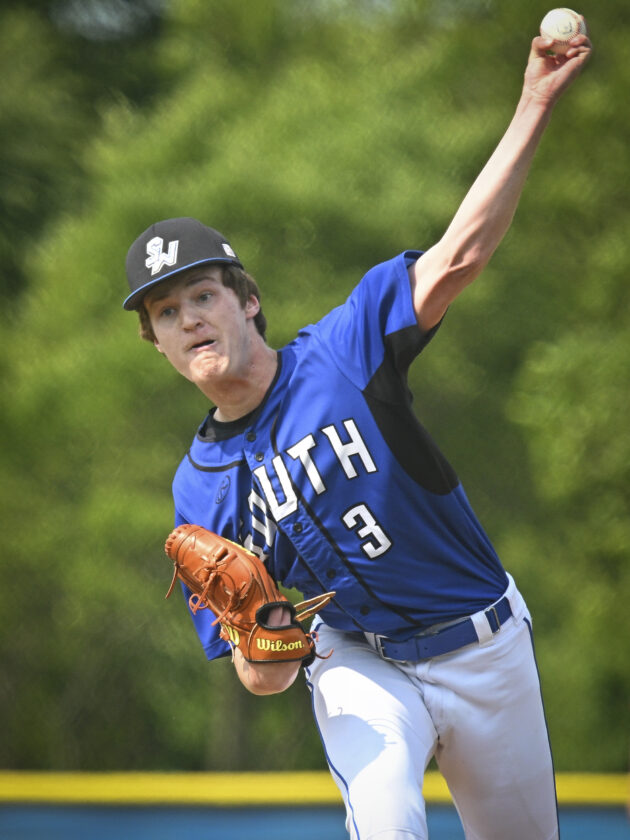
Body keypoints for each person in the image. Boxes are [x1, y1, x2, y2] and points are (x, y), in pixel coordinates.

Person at [123, 29, 591, 840]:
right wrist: (264, 637)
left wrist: (533, 103)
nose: (189, 318)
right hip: (358, 662)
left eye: (203, 295)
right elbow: (260, 679)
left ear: (248, 301)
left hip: (484, 647)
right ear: (157, 343)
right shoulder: (198, 487)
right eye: (166, 312)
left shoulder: (346, 349)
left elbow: (460, 256)